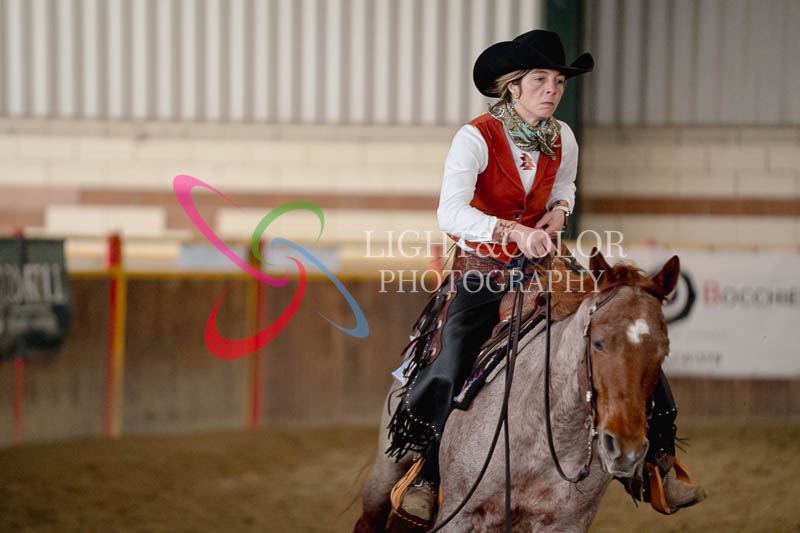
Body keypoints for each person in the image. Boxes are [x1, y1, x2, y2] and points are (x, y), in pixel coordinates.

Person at [385, 30, 706, 523]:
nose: (552, 89)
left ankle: (659, 463)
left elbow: (565, 186)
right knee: (451, 356)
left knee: (620, 332)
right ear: (512, 85)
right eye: (540, 79)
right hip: (482, 270)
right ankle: (427, 471)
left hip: (544, 269)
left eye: (558, 81)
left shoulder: (563, 137)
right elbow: (450, 212)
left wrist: (559, 211)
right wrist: (512, 231)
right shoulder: (475, 137)